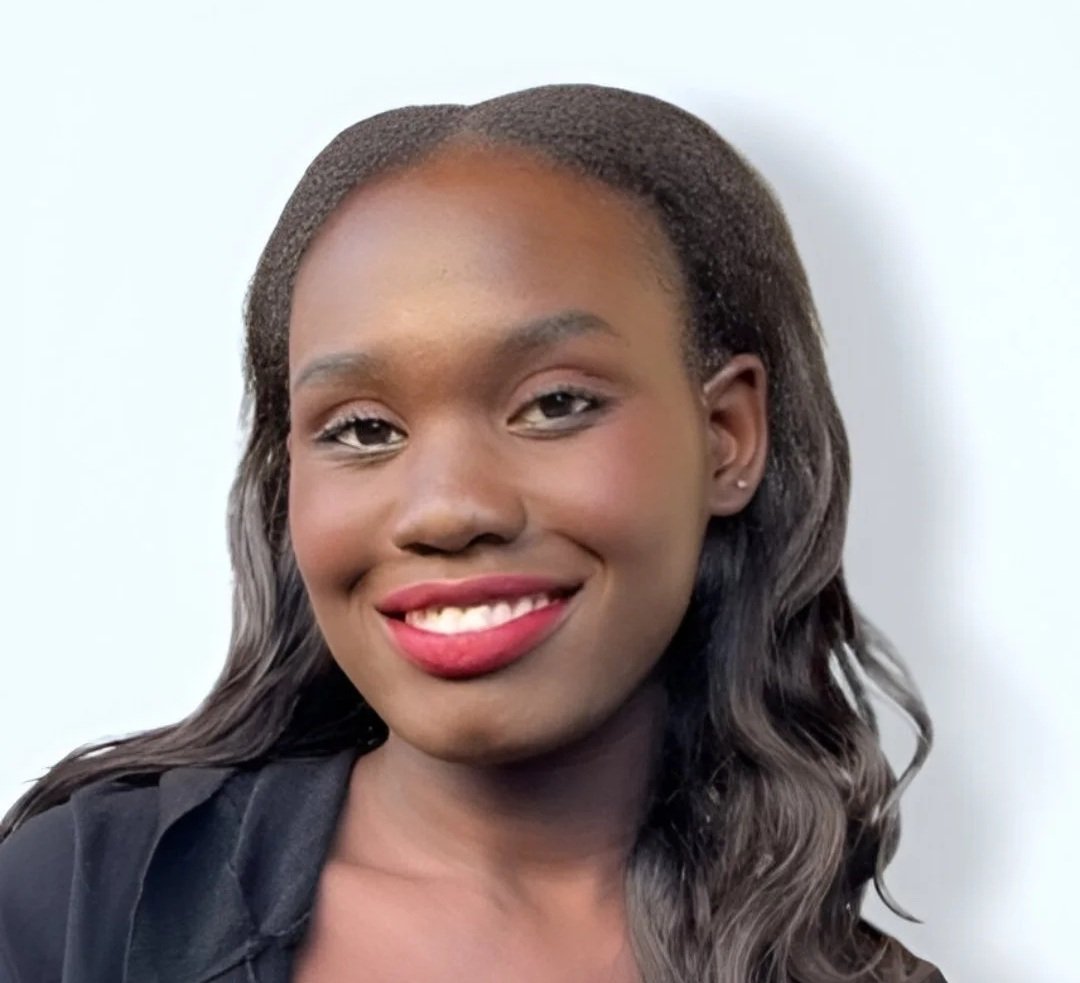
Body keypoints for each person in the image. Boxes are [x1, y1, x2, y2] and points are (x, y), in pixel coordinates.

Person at [0, 82, 947, 982]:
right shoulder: (86, 903)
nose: (447, 509)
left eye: (554, 404)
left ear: (728, 435)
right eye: (364, 430)